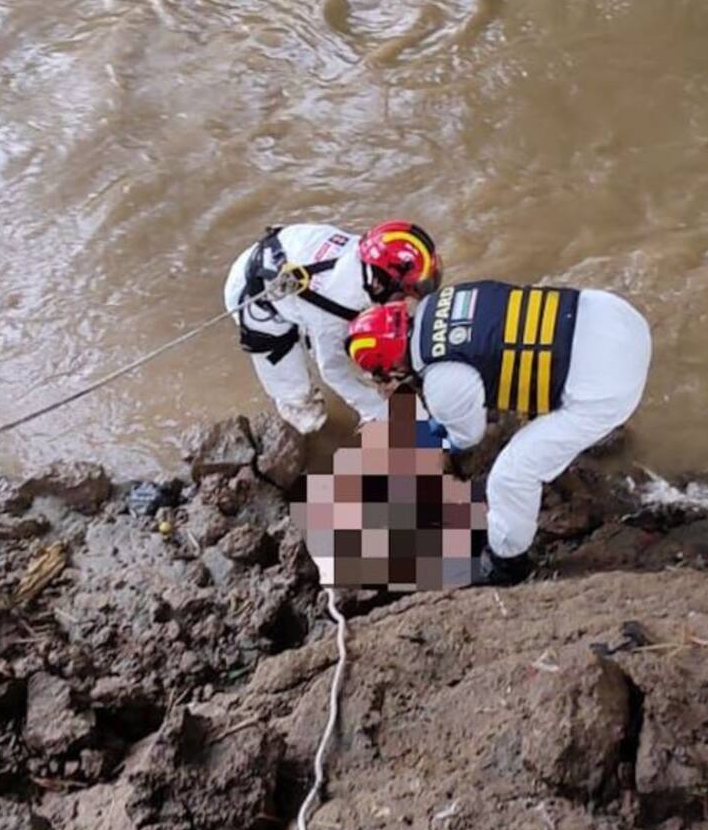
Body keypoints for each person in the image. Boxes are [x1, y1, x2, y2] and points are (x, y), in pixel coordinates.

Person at [345, 279, 652, 584]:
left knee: (510, 477)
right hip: (612, 314)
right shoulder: (445, 297)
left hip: (608, 387)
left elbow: (466, 437)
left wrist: (423, 434)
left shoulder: (442, 379)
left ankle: (507, 562)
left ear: (391, 365)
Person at [223, 221, 441, 434]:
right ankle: (306, 425)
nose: (410, 297)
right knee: (299, 399)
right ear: (379, 284)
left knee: (332, 335)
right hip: (253, 295)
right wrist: (378, 409)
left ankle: (307, 327)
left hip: (292, 261)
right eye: (407, 290)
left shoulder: (369, 259)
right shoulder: (338, 305)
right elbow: (334, 370)